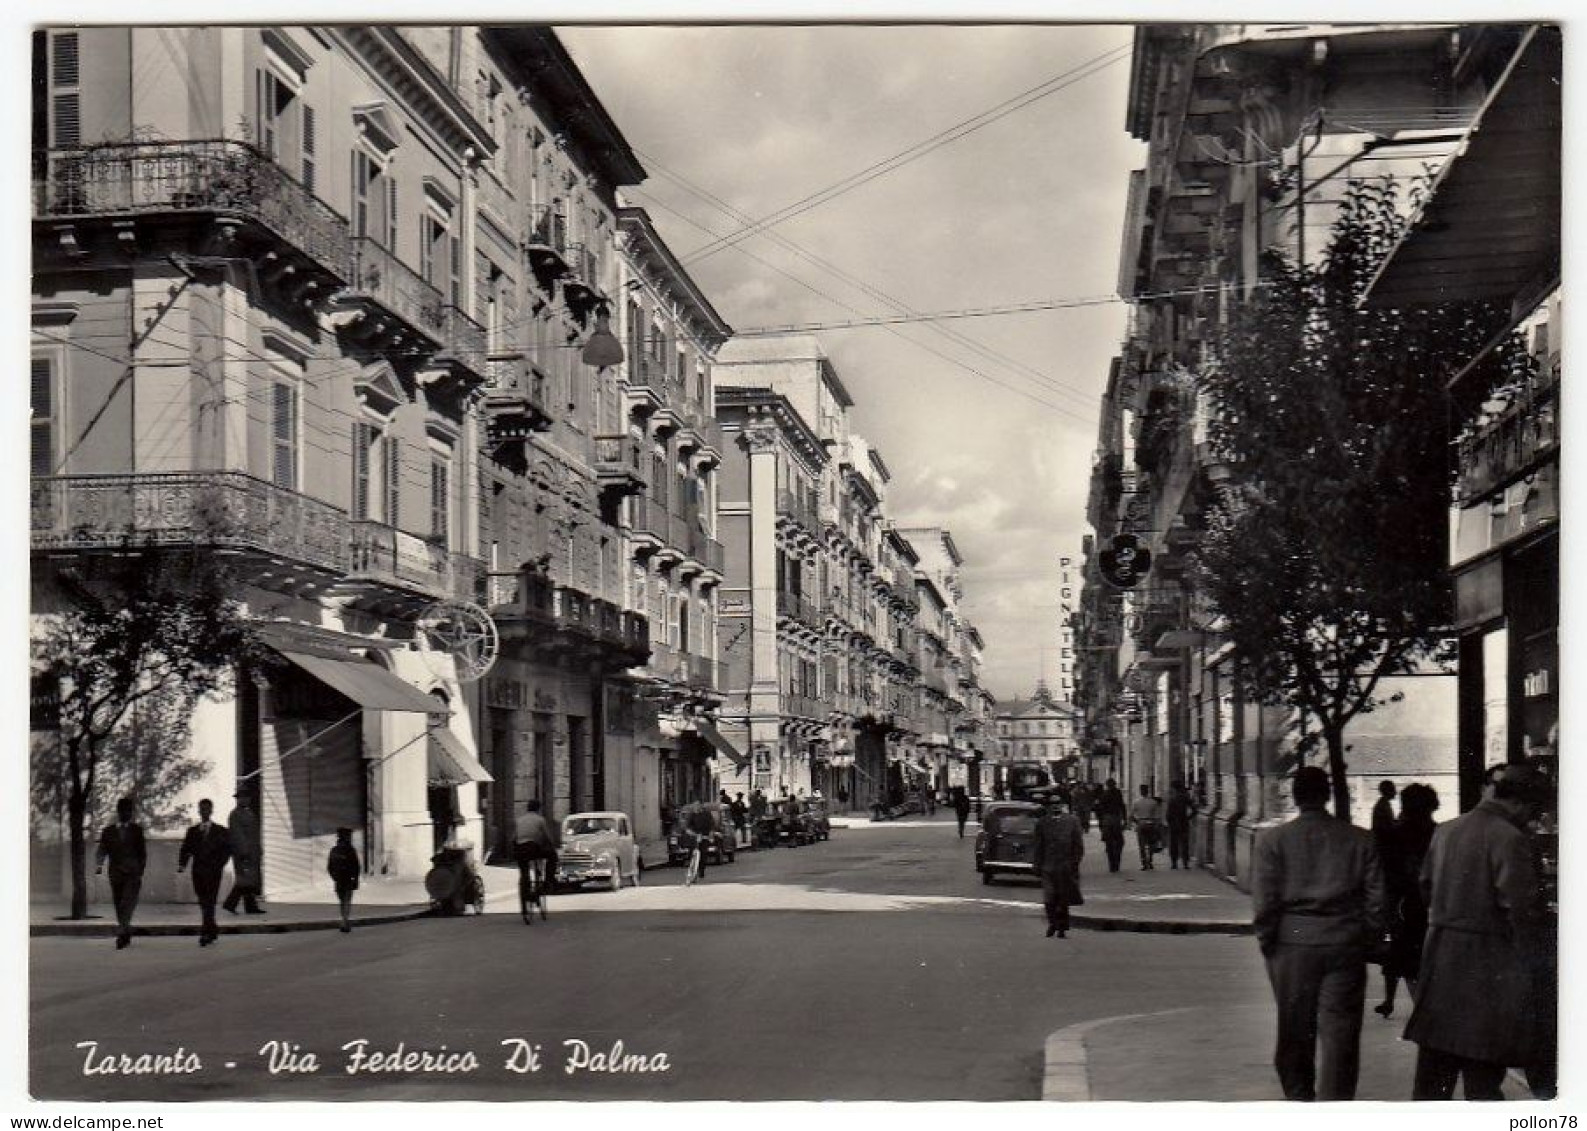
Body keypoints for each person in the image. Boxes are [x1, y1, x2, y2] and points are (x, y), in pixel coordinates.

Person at [1405, 763, 1550, 1101]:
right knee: (1482, 1068)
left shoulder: (1446, 830)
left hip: (1441, 955)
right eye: (1533, 811)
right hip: (1486, 964)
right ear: (1523, 804)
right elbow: (1520, 909)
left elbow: (1425, 885)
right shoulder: (1510, 838)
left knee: (1434, 1067)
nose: (1531, 819)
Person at [1251, 767, 1385, 1102]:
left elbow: (1265, 902)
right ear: (1326, 795)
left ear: (1295, 797)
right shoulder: (1360, 839)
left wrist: (1269, 940)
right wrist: (1365, 938)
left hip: (1292, 941)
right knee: (1341, 1035)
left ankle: (1299, 1100)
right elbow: (1377, 900)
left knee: (1294, 1029)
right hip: (1344, 939)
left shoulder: (1273, 841)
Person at [1374, 783, 1439, 1019]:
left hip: (1402, 906)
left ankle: (1413, 1006)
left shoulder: (1394, 835)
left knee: (1402, 957)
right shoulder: (1440, 834)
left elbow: (1384, 875)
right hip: (1431, 906)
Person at [178, 799, 232, 947]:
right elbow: (186, 849)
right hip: (198, 872)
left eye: (207, 809)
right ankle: (212, 928)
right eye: (202, 809)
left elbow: (227, 850)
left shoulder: (221, 831)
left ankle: (205, 932)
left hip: (213, 872)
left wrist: (219, 864)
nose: (204, 812)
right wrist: (182, 864)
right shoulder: (193, 831)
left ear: (211, 811)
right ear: (199, 811)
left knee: (210, 900)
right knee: (204, 901)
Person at [95, 796, 147, 950]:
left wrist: (139, 870)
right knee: (119, 904)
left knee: (127, 903)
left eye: (129, 811)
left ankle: (122, 933)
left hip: (132, 874)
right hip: (116, 874)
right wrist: (99, 864)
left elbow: (142, 853)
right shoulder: (108, 831)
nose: (127, 813)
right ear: (119, 812)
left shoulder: (137, 831)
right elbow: (102, 849)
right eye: (124, 810)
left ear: (131, 813)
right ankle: (125, 930)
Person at [1032, 795, 1085, 939]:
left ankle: (1062, 926)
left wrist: (1075, 862)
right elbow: (1038, 846)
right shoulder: (1042, 823)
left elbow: (1078, 845)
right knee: (1049, 897)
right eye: (1052, 804)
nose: (1055, 806)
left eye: (1057, 803)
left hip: (1065, 866)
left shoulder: (1072, 821)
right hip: (1048, 866)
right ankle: (1052, 923)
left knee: (1063, 898)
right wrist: (1036, 864)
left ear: (1062, 805)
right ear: (1048, 806)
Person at [223, 792, 264, 915]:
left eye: (247, 797)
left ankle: (250, 906)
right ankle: (230, 903)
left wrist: (258, 848)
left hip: (253, 851)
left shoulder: (249, 813)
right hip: (243, 852)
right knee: (244, 880)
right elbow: (237, 835)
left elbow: (255, 834)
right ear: (238, 799)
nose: (246, 800)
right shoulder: (235, 815)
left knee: (250, 880)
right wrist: (243, 851)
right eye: (243, 798)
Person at [513, 799, 558, 902]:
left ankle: (525, 886)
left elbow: (514, 837)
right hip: (533, 848)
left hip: (520, 849)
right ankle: (548, 880)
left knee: (524, 870)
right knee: (553, 856)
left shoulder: (519, 820)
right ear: (538, 809)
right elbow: (547, 836)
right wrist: (552, 845)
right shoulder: (540, 820)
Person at [326, 827, 361, 934]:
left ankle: (344, 921)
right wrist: (355, 879)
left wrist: (335, 877)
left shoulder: (334, 850)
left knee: (342, 901)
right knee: (347, 901)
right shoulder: (350, 850)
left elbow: (329, 867)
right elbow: (356, 866)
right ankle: (345, 922)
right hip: (348, 879)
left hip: (339, 880)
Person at [1096, 778, 1127, 872]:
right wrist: (1124, 819)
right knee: (1119, 842)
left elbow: (1099, 809)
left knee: (1109, 843)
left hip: (1107, 819)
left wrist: (1100, 821)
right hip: (1116, 818)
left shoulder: (1103, 795)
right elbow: (1122, 806)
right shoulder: (1118, 793)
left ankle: (1111, 864)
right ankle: (1116, 862)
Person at [1129, 784, 1164, 870]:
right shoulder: (1153, 802)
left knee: (1142, 845)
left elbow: (1130, 816)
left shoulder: (1136, 802)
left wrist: (1137, 822)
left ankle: (1144, 862)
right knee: (1151, 843)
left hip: (1141, 823)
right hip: (1151, 823)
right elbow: (1157, 816)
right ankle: (1150, 860)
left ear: (1140, 791)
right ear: (1148, 791)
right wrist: (1157, 825)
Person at [1165, 780, 1195, 869]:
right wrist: (1188, 817)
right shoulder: (1185, 797)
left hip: (1174, 823)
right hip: (1183, 822)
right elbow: (1194, 809)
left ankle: (1174, 863)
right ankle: (1185, 863)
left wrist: (1169, 821)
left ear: (1174, 788)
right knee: (1184, 843)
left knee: (1174, 843)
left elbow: (1168, 813)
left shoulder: (1172, 799)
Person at [684, 802, 716, 880]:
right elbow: (687, 826)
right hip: (695, 836)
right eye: (695, 806)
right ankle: (691, 867)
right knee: (691, 852)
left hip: (704, 835)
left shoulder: (707, 814)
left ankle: (701, 871)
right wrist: (691, 833)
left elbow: (712, 825)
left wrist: (711, 833)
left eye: (698, 806)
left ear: (701, 806)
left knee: (703, 854)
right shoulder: (692, 815)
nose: (696, 808)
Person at [1371, 781, 1398, 858]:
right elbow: (1388, 825)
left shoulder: (1383, 804)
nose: (1395, 792)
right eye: (1392, 789)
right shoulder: (1383, 806)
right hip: (1384, 842)